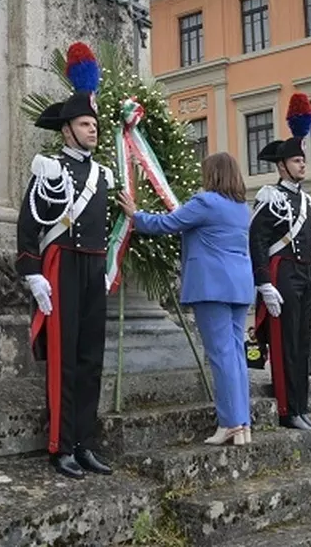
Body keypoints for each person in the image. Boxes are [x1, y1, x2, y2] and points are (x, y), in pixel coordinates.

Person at [16, 42, 115, 480]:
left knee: (91, 357)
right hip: (61, 267)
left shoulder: (104, 175)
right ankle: (60, 446)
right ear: (66, 131)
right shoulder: (49, 169)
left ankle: (85, 442)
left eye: (94, 123)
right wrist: (33, 273)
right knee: (65, 360)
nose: (92, 130)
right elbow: (27, 225)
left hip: (94, 268)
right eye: (83, 124)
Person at [118, 152, 256, 446]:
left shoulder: (206, 202)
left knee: (221, 356)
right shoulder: (241, 207)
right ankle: (242, 422)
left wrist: (135, 214)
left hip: (212, 287)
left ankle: (229, 423)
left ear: (213, 175)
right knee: (235, 355)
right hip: (239, 286)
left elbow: (166, 224)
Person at [250, 93, 311, 433]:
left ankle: (300, 407)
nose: (302, 165)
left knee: (302, 342)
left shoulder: (305, 200)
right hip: (281, 274)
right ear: (282, 167)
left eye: (303, 160)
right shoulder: (271, 196)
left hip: (304, 273)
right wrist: (263, 282)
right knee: (283, 345)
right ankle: (285, 409)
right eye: (296, 162)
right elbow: (258, 240)